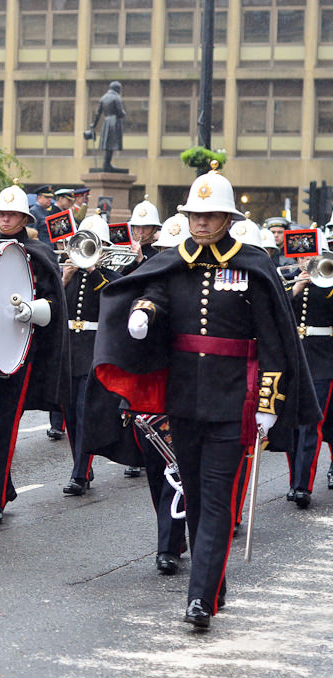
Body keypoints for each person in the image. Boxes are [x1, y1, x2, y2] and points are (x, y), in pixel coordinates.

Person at [86, 164, 319, 629]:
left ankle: (200, 600)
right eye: (195, 214)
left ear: (227, 218)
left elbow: (275, 341)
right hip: (183, 400)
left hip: (235, 402)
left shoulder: (253, 264)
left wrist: (269, 405)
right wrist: (142, 312)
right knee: (193, 496)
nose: (201, 223)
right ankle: (213, 582)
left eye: (211, 215)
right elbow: (153, 290)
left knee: (215, 500)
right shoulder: (174, 259)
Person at [0, 181, 70, 525]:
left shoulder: (38, 254)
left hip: (21, 350)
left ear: (24, 217)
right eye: (2, 213)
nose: (6, 218)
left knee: (5, 425)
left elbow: (54, 304)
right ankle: (3, 485)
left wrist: (31, 310)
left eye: (13, 213)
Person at [60, 212, 122, 496]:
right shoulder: (68, 275)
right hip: (70, 349)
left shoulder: (110, 278)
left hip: (95, 349)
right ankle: (81, 464)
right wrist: (63, 279)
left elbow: (112, 300)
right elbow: (54, 306)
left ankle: (80, 474)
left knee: (85, 412)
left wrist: (94, 271)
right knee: (70, 413)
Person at [286, 233, 333, 509]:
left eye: (311, 256)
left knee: (311, 424)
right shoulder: (291, 280)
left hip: (324, 357)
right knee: (293, 425)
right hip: (296, 358)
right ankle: (295, 481)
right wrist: (296, 287)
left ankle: (304, 485)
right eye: (302, 256)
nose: (306, 261)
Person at [86, 81, 126, 172]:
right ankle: (107, 164)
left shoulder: (103, 98)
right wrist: (124, 114)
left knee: (108, 145)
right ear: (117, 89)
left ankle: (106, 163)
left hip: (106, 122)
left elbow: (98, 113)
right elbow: (120, 112)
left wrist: (94, 124)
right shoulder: (116, 97)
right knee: (111, 145)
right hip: (114, 122)